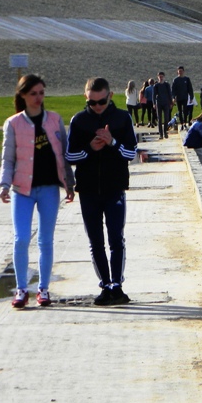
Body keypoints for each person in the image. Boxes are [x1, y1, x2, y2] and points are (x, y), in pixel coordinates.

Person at [0, 75, 76, 308]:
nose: (38, 98)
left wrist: (70, 184)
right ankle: (21, 289)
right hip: (22, 189)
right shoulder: (13, 123)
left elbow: (64, 156)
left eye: (41, 93)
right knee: (21, 239)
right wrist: (4, 185)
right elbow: (8, 158)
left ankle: (43, 289)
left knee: (45, 240)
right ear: (23, 95)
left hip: (49, 189)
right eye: (33, 93)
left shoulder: (54, 120)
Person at [66, 77, 137, 305]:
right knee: (95, 240)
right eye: (93, 102)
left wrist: (112, 142)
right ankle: (105, 284)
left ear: (111, 96)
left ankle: (117, 284)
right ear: (86, 98)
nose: (97, 106)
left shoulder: (122, 118)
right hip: (87, 189)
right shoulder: (79, 121)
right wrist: (89, 148)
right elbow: (69, 155)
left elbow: (132, 153)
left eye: (102, 101)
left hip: (114, 187)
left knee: (116, 238)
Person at [152, 71, 173, 139]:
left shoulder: (167, 85)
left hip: (166, 103)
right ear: (158, 77)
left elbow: (170, 94)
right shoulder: (156, 85)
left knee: (166, 118)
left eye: (162, 76)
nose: (161, 78)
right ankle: (161, 134)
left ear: (164, 77)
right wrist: (154, 103)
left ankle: (165, 132)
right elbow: (154, 95)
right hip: (159, 103)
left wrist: (171, 103)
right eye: (159, 77)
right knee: (159, 119)